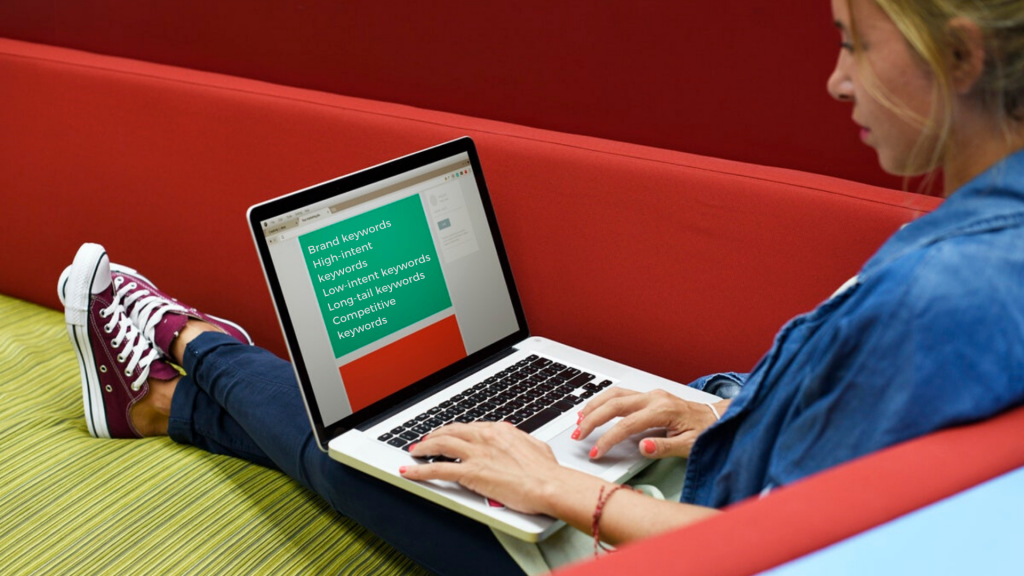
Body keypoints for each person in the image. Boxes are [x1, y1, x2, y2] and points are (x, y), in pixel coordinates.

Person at [59, 0, 1024, 573]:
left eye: (854, 40)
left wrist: (562, 492)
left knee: (354, 451)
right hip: (704, 472)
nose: (835, 80)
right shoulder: (992, 238)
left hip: (659, 547)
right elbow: (853, 470)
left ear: (964, 55)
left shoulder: (948, 295)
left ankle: (193, 349)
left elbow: (780, 555)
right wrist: (723, 411)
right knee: (400, 440)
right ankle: (162, 402)